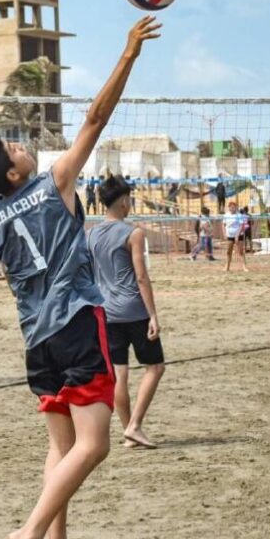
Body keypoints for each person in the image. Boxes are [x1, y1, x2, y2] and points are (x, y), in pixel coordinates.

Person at [0, 15, 160, 539]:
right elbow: (96, 118)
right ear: (14, 171)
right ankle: (29, 533)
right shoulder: (53, 184)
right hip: (76, 323)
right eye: (14, 146)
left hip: (36, 343)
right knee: (95, 445)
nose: (23, 145)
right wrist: (128, 55)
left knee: (61, 446)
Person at [88, 176, 165, 450]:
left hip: (105, 312)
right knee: (155, 367)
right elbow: (141, 277)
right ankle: (134, 426)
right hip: (133, 309)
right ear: (123, 201)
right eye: (130, 198)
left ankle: (128, 431)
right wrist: (153, 315)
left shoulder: (92, 233)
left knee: (120, 375)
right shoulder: (133, 232)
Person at [223, 201, 248, 272]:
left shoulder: (239, 215)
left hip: (238, 235)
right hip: (229, 235)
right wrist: (224, 233)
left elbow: (241, 226)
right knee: (228, 251)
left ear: (236, 208)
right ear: (229, 208)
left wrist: (237, 235)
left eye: (234, 207)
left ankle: (244, 267)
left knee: (240, 252)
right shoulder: (226, 215)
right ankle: (227, 266)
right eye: (231, 207)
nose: (232, 208)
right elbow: (223, 225)